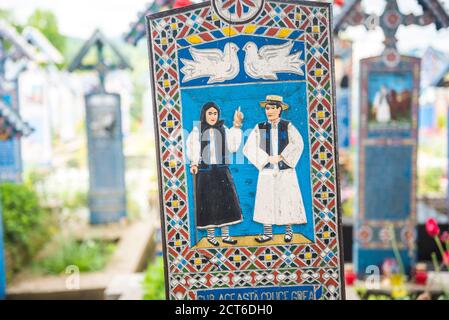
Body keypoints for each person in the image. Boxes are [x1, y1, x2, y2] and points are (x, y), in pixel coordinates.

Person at [243, 95, 307, 243]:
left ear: (279, 109)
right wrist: (266, 159)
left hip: (285, 170)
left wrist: (283, 156)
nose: (269, 111)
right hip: (266, 171)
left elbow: (298, 143)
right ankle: (267, 233)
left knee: (287, 199)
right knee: (266, 200)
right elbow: (248, 147)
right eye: (267, 108)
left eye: (272, 108)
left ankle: (288, 231)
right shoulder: (260, 128)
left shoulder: (287, 126)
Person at [186, 102, 244, 246]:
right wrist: (194, 163)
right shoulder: (197, 130)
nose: (212, 116)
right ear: (204, 114)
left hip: (221, 171)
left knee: (226, 202)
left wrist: (236, 125)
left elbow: (233, 146)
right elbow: (192, 146)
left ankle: (225, 235)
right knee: (208, 203)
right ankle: (211, 236)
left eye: (215, 113)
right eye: (210, 113)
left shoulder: (223, 129)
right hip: (205, 172)